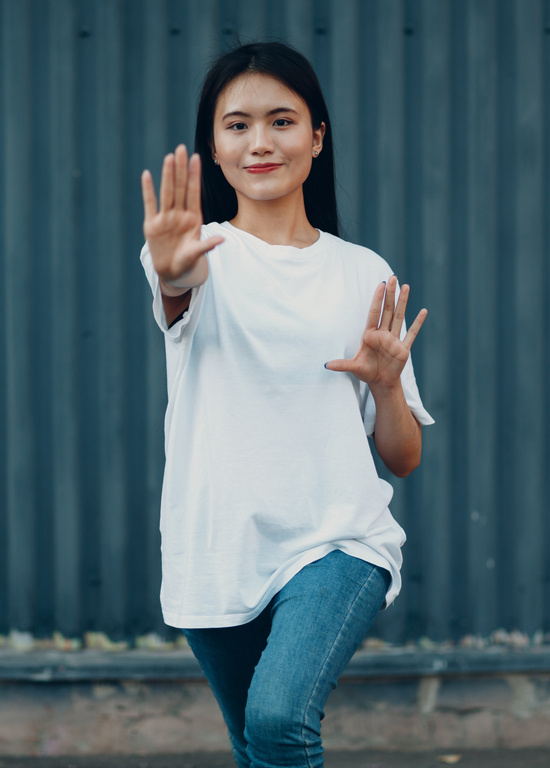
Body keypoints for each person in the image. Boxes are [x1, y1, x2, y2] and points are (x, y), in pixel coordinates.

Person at [138, 41, 434, 768]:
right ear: (213, 142)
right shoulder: (196, 255)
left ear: (316, 136)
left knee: (277, 724)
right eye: (237, 125)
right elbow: (173, 286)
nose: (260, 142)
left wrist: (388, 386)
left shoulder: (364, 271)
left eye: (281, 121)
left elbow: (401, 458)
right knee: (255, 747)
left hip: (338, 542)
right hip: (218, 550)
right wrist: (171, 267)